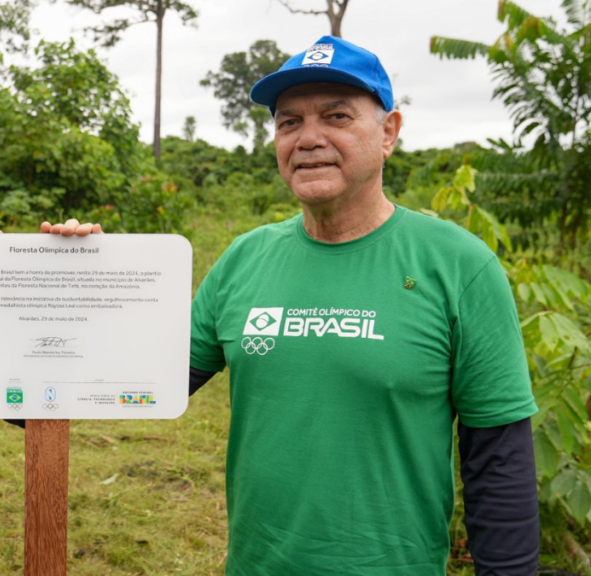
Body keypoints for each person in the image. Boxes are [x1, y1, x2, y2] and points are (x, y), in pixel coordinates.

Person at [48, 35, 539, 575]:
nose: (308, 139)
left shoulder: (458, 266)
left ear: (389, 133)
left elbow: (499, 463)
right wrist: (72, 291)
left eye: (336, 116)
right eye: (288, 122)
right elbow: (137, 383)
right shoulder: (245, 259)